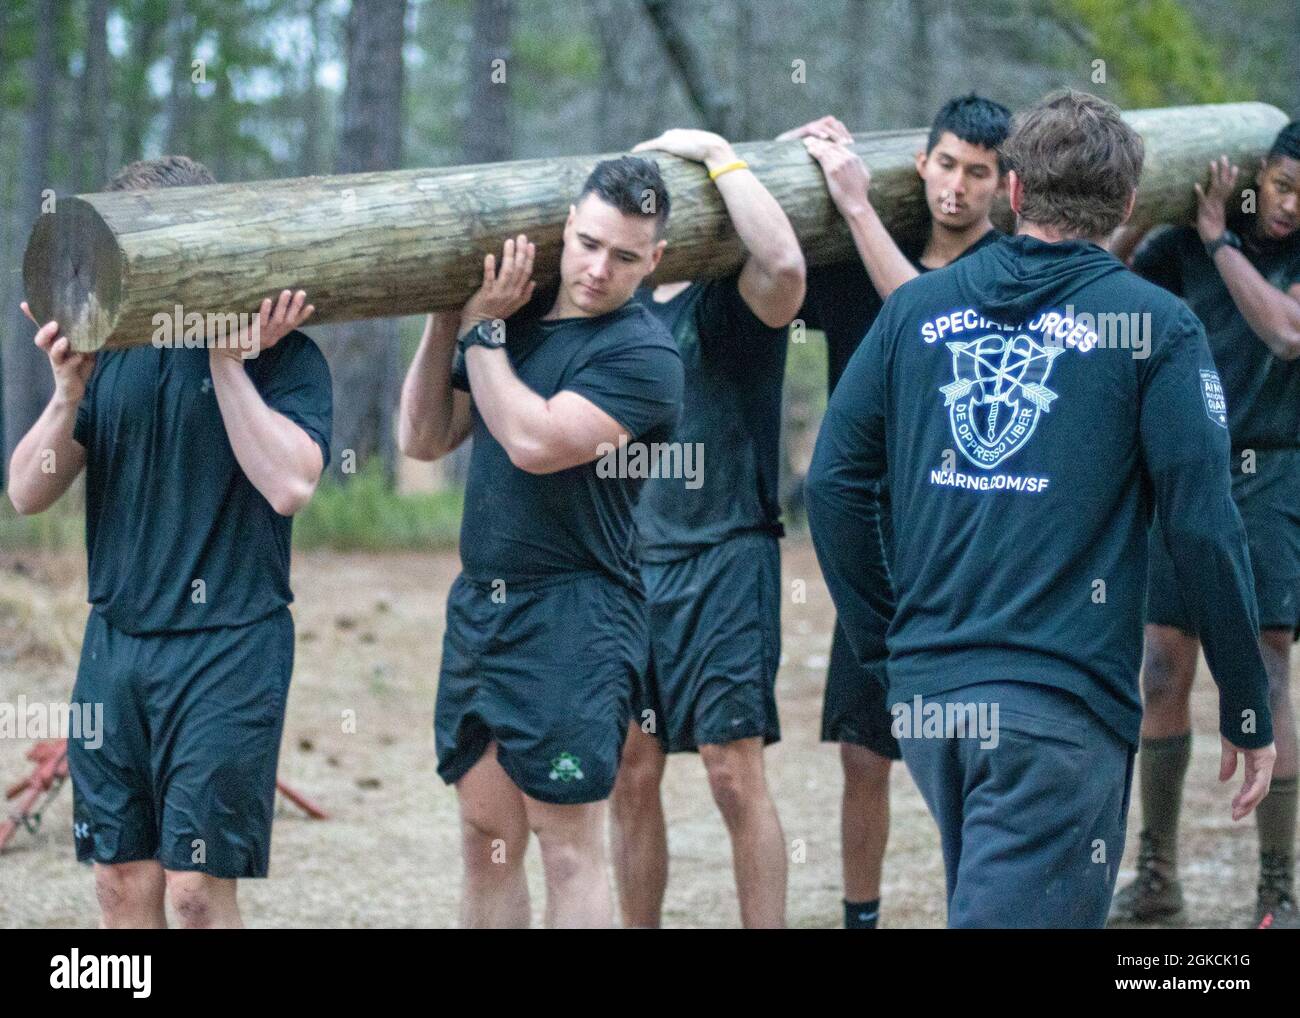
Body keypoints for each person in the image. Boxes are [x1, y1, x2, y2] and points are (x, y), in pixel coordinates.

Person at [805, 90, 1276, 928]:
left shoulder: (918, 309)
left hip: (932, 703)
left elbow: (835, 485)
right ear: (1128, 205)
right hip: (1056, 713)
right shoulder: (1158, 328)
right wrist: (1247, 699)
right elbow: (1202, 528)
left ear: (1012, 191)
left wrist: (889, 647)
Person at [6, 155, 332, 929]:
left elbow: (289, 485)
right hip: (116, 645)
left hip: (230, 647)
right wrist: (67, 393)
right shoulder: (109, 351)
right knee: (120, 878)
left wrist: (226, 359)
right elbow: (26, 490)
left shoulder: (286, 354)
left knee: (193, 892)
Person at [398, 156, 684, 928]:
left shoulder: (645, 354)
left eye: (626, 256)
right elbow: (424, 438)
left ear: (654, 261)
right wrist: (444, 317)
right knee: (487, 836)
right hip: (483, 608)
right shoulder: (510, 325)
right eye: (589, 244)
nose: (598, 269)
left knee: (568, 847)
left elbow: (534, 440)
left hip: (577, 617)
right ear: (566, 228)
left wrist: (483, 332)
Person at [778, 94, 1011, 928]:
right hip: (875, 544)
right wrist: (784, 154)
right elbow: (770, 269)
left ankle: (975, 909)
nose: (956, 187)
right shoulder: (851, 270)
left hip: (966, 548)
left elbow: (933, 320)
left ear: (1001, 183)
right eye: (946, 164)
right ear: (922, 162)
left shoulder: (1004, 271)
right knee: (864, 752)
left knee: (974, 751)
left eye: (977, 172)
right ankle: (860, 918)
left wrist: (854, 201)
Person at [607, 128, 805, 928]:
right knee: (630, 769)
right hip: (625, 567)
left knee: (731, 771)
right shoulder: (607, 309)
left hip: (726, 557)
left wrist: (719, 152)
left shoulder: (734, 300)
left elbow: (788, 266)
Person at [1108, 120, 1300, 929]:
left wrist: (1223, 242)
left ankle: (1278, 888)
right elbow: (1104, 274)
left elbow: (1288, 333)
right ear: (1258, 171)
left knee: (1264, 671)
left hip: (1274, 473)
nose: (1292, 207)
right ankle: (1157, 874)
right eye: (1286, 186)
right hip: (1184, 469)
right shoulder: (1184, 242)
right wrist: (1146, 209)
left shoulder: (1256, 251)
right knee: (1158, 668)